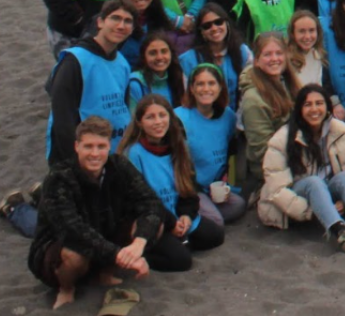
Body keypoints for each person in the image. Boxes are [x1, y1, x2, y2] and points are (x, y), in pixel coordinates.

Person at [29, 117, 173, 308]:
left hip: (103, 233)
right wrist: (118, 254)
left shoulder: (119, 166)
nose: (95, 153)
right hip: (58, 249)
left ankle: (104, 273)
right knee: (75, 255)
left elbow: (151, 202)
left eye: (101, 146)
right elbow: (72, 230)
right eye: (88, 146)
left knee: (152, 226)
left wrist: (139, 243)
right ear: (76, 146)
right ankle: (66, 288)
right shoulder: (59, 178)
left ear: (109, 147)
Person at [258, 84, 345, 256]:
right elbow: (276, 189)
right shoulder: (282, 139)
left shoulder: (343, 131)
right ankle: (342, 234)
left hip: (329, 192)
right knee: (314, 182)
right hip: (300, 199)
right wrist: (313, 210)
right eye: (308, 104)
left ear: (327, 107)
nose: (314, 109)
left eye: (319, 103)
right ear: (299, 109)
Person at [121, 95, 226, 263]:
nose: (158, 122)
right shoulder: (134, 154)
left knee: (215, 236)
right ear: (140, 122)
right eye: (150, 117)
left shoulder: (178, 146)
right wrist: (171, 223)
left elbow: (189, 188)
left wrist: (186, 215)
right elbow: (140, 201)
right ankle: (146, 251)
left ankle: (179, 240)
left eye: (162, 115)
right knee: (181, 261)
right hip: (153, 218)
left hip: (177, 212)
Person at [46, 0, 135, 164]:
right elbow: (62, 119)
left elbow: (122, 107)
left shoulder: (122, 63)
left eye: (128, 21)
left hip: (111, 154)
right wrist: (76, 162)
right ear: (100, 22)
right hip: (80, 157)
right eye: (115, 18)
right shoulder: (75, 61)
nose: (121, 25)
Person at [173, 64, 245, 225]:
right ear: (191, 88)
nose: (206, 89)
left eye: (211, 83)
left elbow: (228, 155)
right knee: (216, 222)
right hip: (191, 188)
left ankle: (202, 215)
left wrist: (224, 183)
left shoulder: (228, 117)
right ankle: (187, 218)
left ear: (220, 87)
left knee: (239, 205)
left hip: (214, 186)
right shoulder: (179, 117)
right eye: (200, 84)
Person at [236, 31, 298, 194]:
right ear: (256, 60)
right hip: (271, 166)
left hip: (295, 154)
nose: (274, 59)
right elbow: (261, 151)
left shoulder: (287, 83)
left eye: (279, 53)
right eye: (267, 54)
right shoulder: (253, 99)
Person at [126, 30, 185, 111]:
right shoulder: (136, 83)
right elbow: (133, 121)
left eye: (164, 51)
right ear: (144, 56)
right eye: (153, 53)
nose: (159, 57)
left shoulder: (176, 77)